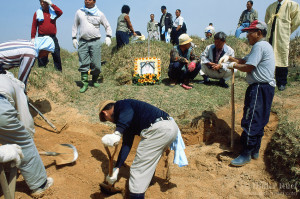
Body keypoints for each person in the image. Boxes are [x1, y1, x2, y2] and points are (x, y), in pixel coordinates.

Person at [99, 99, 181, 199]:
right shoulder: (128, 121)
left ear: (105, 113)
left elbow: (126, 112)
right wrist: (117, 168)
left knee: (137, 169)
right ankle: (148, 183)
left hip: (159, 129)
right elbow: (126, 144)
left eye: (106, 119)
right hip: (169, 128)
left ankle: (137, 195)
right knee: (148, 161)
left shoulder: (122, 104)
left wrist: (117, 133)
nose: (111, 122)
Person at [227, 20, 276, 166]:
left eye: (250, 32)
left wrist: (234, 65)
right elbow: (244, 60)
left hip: (259, 88)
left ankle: (246, 153)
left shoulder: (259, 46)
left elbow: (248, 67)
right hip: (266, 88)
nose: (247, 35)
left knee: (251, 119)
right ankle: (255, 149)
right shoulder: (262, 46)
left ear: (258, 33)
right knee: (260, 119)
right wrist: (229, 59)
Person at [0, 70, 53, 197]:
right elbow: (26, 122)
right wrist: (27, 142)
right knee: (24, 142)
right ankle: (40, 184)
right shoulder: (17, 87)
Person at [72, 0, 112, 93]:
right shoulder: (79, 12)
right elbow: (75, 26)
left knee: (96, 64)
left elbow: (107, 26)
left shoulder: (99, 14)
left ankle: (94, 80)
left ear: (94, 1)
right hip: (83, 42)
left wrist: (108, 36)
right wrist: (74, 38)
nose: (87, 1)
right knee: (83, 63)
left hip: (95, 41)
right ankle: (85, 83)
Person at [265, 0, 300, 91]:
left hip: (282, 36)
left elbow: (296, 21)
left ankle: (281, 83)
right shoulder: (271, 6)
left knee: (282, 57)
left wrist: (288, 31)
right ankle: (268, 79)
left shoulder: (292, 5)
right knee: (269, 57)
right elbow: (267, 20)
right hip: (271, 36)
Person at [31, 0, 63, 71]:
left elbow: (60, 12)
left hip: (52, 37)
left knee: (56, 54)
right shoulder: (37, 13)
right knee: (42, 56)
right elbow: (34, 26)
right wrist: (33, 38)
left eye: (44, 1)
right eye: (41, 2)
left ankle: (58, 71)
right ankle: (42, 70)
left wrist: (51, 4)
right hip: (41, 37)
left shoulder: (53, 12)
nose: (42, 3)